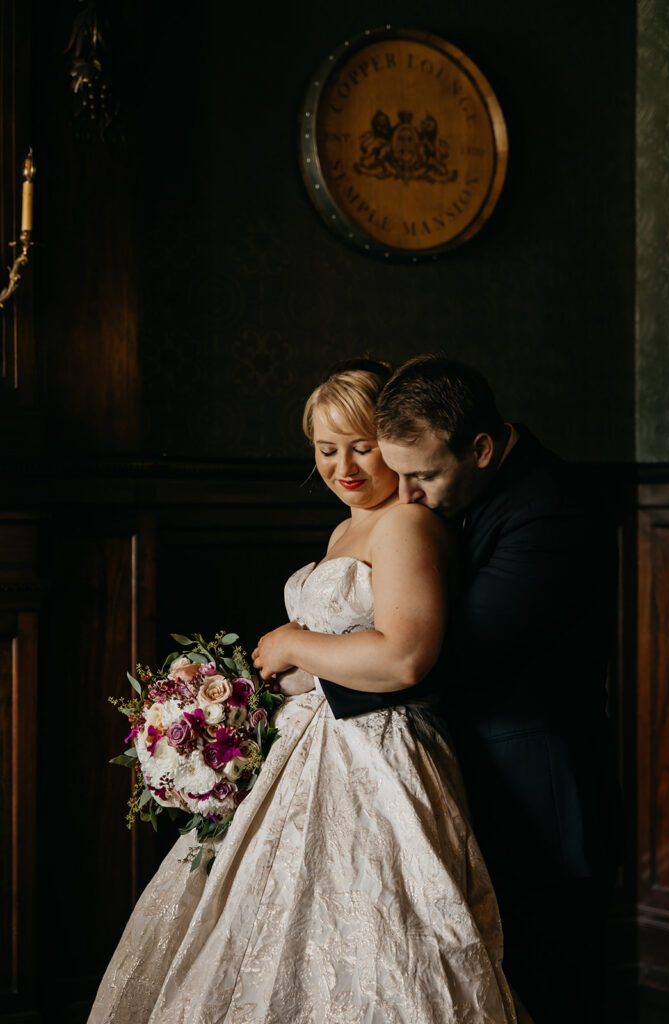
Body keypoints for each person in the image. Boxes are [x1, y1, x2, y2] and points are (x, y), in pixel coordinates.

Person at [88, 360, 521, 1024]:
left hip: (373, 752)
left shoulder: (404, 525)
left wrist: (292, 645)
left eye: (360, 445)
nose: (342, 465)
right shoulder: (346, 529)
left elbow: (402, 657)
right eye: (325, 449)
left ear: (394, 442)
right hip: (306, 743)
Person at [306, 356, 622, 1024]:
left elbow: (455, 654)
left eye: (421, 475)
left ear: (480, 447)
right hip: (461, 767)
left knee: (548, 977)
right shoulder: (456, 497)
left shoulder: (550, 509)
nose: (410, 494)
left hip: (539, 783)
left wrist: (313, 669)